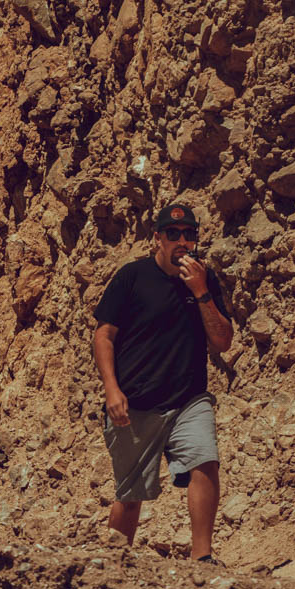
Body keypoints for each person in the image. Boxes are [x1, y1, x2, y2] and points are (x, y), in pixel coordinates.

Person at [92, 202, 233, 562]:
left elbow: (222, 341)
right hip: (136, 404)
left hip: (189, 399)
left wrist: (200, 291)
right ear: (157, 238)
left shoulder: (205, 279)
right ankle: (115, 565)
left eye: (189, 234)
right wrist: (112, 389)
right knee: (130, 495)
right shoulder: (132, 277)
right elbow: (103, 336)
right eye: (173, 235)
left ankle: (202, 557)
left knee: (205, 461)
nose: (182, 242)